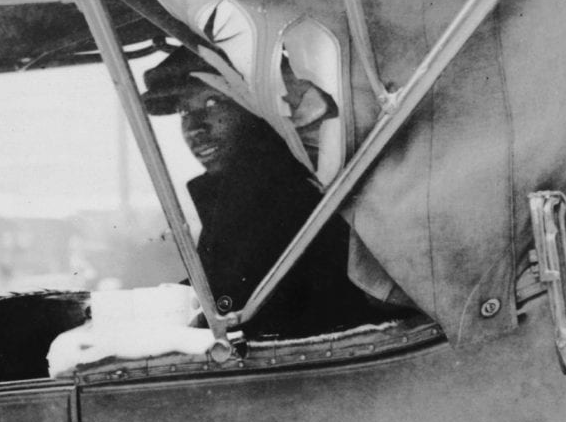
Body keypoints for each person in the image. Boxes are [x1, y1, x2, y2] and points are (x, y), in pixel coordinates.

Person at [142, 53, 387, 340]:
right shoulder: (246, 183)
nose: (195, 128)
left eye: (212, 102)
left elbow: (228, 299)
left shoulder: (272, 185)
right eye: (184, 111)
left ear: (253, 106)